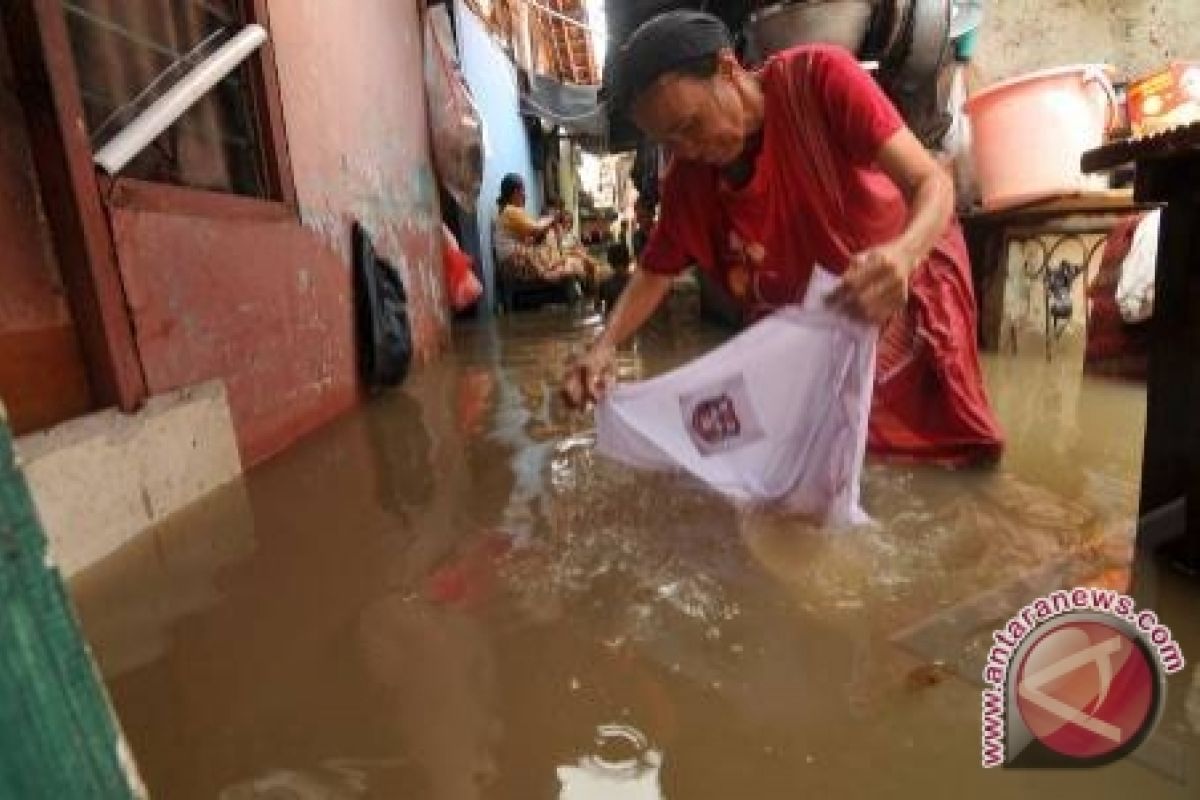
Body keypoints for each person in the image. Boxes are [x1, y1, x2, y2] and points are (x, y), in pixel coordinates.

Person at [562, 11, 1003, 466]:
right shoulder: (688, 180)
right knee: (831, 455)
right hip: (819, 327)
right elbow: (656, 271)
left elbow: (932, 185)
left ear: (729, 68)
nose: (687, 150)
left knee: (951, 449)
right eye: (668, 142)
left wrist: (904, 255)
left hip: (908, 281)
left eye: (690, 125)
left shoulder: (819, 78)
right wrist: (604, 346)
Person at [493, 174, 587, 292]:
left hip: (516, 259)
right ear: (516, 192)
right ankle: (554, 271)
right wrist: (552, 218)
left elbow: (532, 236)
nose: (525, 196)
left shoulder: (511, 211)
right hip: (514, 261)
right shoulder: (510, 211)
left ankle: (560, 267)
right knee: (564, 254)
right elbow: (536, 229)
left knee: (564, 251)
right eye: (523, 191)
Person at [599, 241, 632, 314]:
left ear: (609, 262)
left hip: (613, 321)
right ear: (629, 260)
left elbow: (597, 307)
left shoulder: (605, 284)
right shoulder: (637, 282)